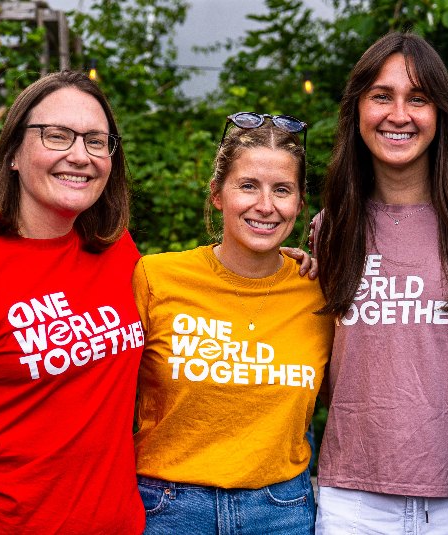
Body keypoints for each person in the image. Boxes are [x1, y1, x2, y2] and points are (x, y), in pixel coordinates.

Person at [0, 70, 145, 534]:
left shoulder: (117, 251)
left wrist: (284, 264)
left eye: (97, 141)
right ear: (13, 152)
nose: (80, 155)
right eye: (57, 136)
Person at [312, 32, 448, 534]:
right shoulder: (333, 227)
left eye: (418, 98)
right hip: (354, 497)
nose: (399, 114)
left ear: (441, 115)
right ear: (357, 110)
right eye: (381, 96)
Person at [132, 112, 332, 534]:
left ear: (299, 204)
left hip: (281, 510)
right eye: (247, 186)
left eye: (282, 190)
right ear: (217, 194)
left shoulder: (320, 293)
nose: (265, 205)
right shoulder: (155, 277)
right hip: (166, 509)